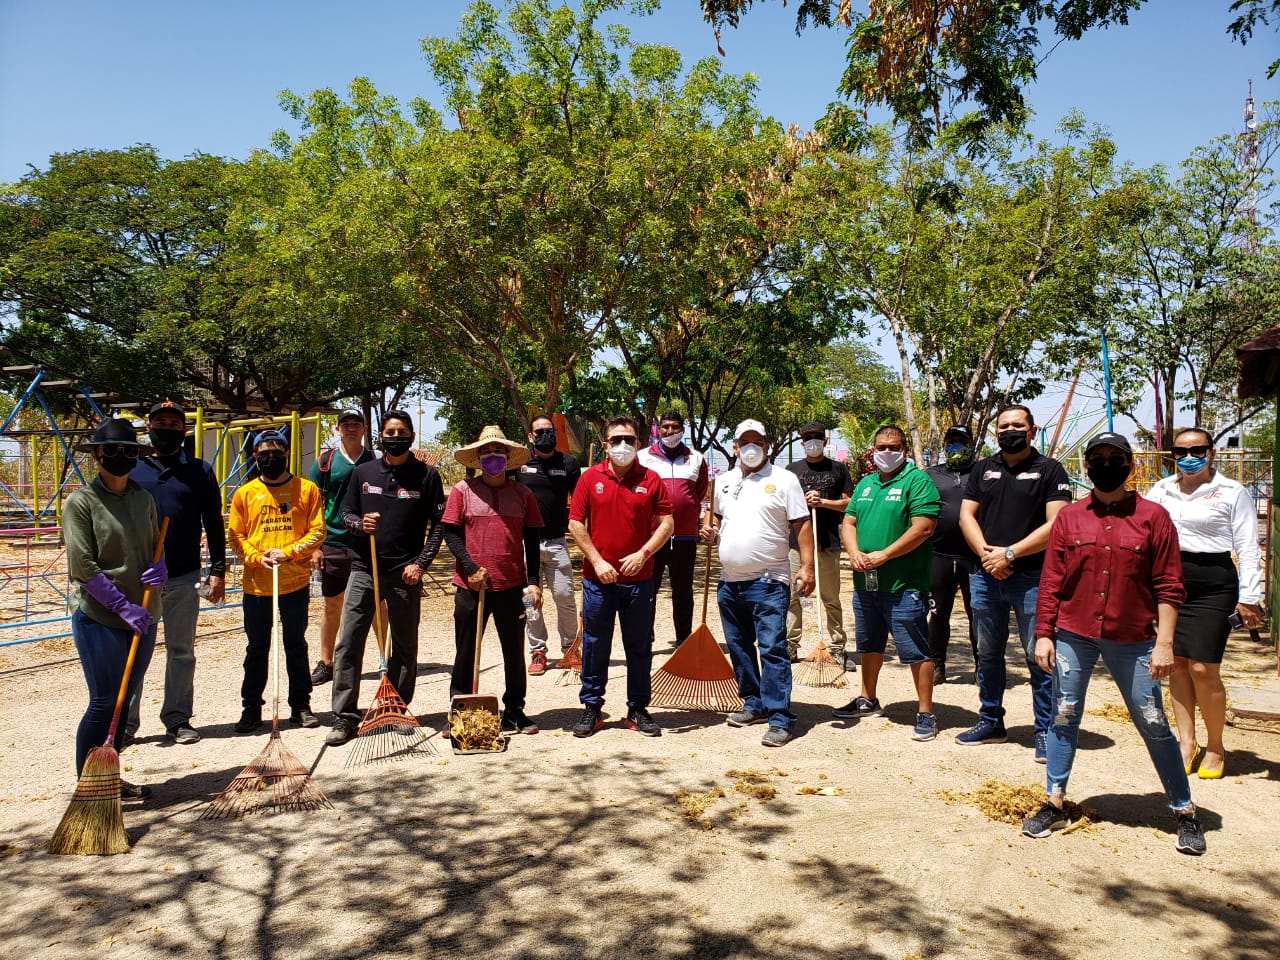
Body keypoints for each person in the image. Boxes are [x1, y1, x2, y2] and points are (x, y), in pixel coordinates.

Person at [1022, 431, 1205, 855]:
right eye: (1097, 458)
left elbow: (1169, 585)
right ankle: (1054, 800)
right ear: (1086, 467)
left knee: (1153, 721)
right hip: (1074, 633)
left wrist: (1164, 644)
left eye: (1114, 457)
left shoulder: (1153, 517)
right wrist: (1044, 632)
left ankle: (1184, 810)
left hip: (1135, 639)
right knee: (1064, 716)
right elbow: (1052, 579)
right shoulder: (1069, 518)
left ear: (1130, 464)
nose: (1106, 464)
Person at [1147, 427, 1264, 780]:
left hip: (1214, 584)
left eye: (1197, 450)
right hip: (1168, 582)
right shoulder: (1161, 489)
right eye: (1180, 451)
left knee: (1203, 667)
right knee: (1177, 664)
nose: (1188, 457)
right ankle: (1187, 742)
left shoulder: (1231, 491)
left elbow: (1246, 544)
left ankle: (1215, 745)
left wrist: (1249, 597)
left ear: (1211, 452)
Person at [957, 404, 1072, 761]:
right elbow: (966, 515)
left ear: (1032, 430)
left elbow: (1058, 523)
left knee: (1039, 655)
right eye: (1004, 426)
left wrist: (1009, 554)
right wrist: (989, 556)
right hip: (985, 577)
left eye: (1017, 425)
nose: (1010, 430)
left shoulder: (1050, 470)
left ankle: (1044, 731)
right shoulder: (983, 468)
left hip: (1033, 577)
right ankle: (991, 720)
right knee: (987, 653)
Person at [325, 411, 445, 746]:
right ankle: (345, 715)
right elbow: (346, 513)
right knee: (349, 641)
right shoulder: (363, 473)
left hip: (405, 572)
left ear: (411, 437)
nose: (396, 436)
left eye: (402, 431)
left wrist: (421, 564)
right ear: (380, 437)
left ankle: (398, 707)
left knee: (405, 643)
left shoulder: (427, 476)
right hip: (365, 569)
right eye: (390, 431)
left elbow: (439, 527)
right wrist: (358, 524)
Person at [64, 419, 166, 797]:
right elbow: (82, 565)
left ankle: (109, 776)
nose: (120, 457)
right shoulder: (81, 502)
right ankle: (88, 786)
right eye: (111, 451)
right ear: (97, 455)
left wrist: (161, 567)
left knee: (123, 705)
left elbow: (156, 543)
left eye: (129, 451)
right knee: (104, 700)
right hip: (101, 616)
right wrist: (122, 606)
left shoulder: (143, 499)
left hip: (144, 616)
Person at [701, 419, 813, 747]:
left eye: (757, 442)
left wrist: (807, 567)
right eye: (744, 442)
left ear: (767, 445)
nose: (751, 448)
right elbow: (717, 519)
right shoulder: (722, 481)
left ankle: (780, 716)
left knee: (772, 648)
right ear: (735, 447)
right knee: (739, 647)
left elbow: (802, 525)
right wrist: (708, 530)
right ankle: (754, 702)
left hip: (770, 579)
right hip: (729, 582)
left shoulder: (784, 480)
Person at [126, 400, 226, 745]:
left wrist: (218, 569)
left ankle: (178, 718)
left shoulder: (199, 470)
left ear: (183, 430)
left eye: (173, 423)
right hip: (139, 578)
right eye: (160, 422)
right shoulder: (133, 469)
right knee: (135, 650)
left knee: (181, 650)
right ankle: (126, 723)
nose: (166, 428)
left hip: (183, 574)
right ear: (148, 427)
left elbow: (213, 521)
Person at [569, 415, 674, 737]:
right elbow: (575, 524)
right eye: (616, 440)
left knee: (640, 646)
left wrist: (643, 554)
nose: (623, 446)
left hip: (639, 581)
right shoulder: (589, 479)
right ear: (605, 445)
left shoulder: (652, 479)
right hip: (597, 580)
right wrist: (598, 562)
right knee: (595, 644)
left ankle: (638, 709)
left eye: (629, 440)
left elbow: (668, 523)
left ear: (639, 444)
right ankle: (592, 708)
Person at [835, 425, 941, 741]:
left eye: (892, 447)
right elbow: (849, 521)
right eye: (880, 447)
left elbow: (923, 527)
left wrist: (885, 555)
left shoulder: (917, 482)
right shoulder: (866, 484)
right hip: (866, 584)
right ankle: (868, 698)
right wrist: (854, 551)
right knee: (869, 643)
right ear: (873, 450)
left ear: (904, 450)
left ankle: (925, 713)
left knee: (915, 649)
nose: (886, 452)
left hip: (904, 585)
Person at [442, 425, 545, 736]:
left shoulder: (523, 494)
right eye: (486, 452)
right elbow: (451, 533)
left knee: (513, 650)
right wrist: (471, 567)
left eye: (498, 452)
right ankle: (459, 711)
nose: (492, 457)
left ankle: (514, 710)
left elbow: (532, 537)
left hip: (512, 585)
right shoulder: (462, 490)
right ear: (478, 458)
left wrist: (534, 581)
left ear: (507, 457)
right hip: (471, 586)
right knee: (465, 649)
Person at [227, 429, 325, 732]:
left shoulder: (306, 489)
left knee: (295, 645)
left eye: (276, 452)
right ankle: (251, 709)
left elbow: (317, 531)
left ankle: (301, 705)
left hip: (294, 582)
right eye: (264, 453)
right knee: (257, 648)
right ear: (255, 457)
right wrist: (258, 558)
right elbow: (236, 536)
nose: (270, 457)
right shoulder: (244, 494)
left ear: (286, 454)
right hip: (257, 585)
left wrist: (289, 552)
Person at [307, 408, 374, 687]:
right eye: (345, 424)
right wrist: (315, 546)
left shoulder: (375, 461)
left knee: (379, 606)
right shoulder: (325, 462)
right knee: (332, 605)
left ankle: (385, 660)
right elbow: (311, 505)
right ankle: (326, 662)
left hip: (368, 542)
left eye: (356, 424)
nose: (350, 428)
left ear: (364, 429)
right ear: (337, 429)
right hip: (334, 541)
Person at [638, 411, 708, 647]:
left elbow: (699, 493)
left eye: (675, 427)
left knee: (683, 591)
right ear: (658, 429)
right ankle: (644, 636)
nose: (670, 431)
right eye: (665, 427)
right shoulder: (642, 457)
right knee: (648, 589)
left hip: (685, 538)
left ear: (682, 430)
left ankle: (683, 638)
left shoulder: (696, 459)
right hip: (651, 538)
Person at [784, 420, 852, 665]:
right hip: (796, 545)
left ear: (825, 441)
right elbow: (782, 506)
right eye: (808, 437)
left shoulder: (838, 469)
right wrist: (801, 503)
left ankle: (836, 647)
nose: (813, 441)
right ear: (802, 442)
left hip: (828, 542)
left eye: (817, 437)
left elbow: (849, 503)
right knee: (795, 595)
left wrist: (823, 502)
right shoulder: (791, 470)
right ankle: (790, 645)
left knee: (830, 597)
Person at [517, 414, 581, 674]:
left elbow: (580, 501)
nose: (545, 435)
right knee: (530, 600)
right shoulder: (519, 464)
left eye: (549, 431)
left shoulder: (568, 463)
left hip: (556, 542)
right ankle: (537, 651)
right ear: (531, 437)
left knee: (565, 596)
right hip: (525, 543)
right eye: (539, 432)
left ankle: (570, 648)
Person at [925, 424, 980, 684]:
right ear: (945, 445)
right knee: (938, 614)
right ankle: (937, 664)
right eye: (952, 441)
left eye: (962, 441)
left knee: (978, 613)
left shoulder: (982, 473)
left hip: (976, 557)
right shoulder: (931, 474)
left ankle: (983, 666)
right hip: (939, 555)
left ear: (971, 445)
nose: (956, 446)